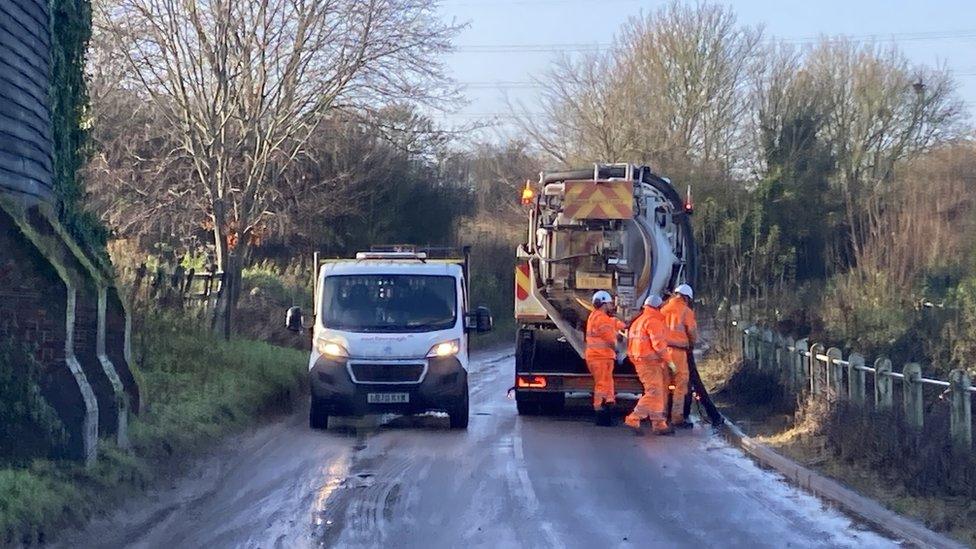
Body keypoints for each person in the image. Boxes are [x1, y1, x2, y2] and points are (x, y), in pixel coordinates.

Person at [624, 295, 676, 435]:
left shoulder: (639, 321)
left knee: (657, 392)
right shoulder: (653, 321)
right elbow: (658, 345)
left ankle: (658, 423)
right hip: (649, 362)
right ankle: (633, 419)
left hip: (641, 361)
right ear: (658, 307)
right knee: (653, 392)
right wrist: (669, 361)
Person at [585, 290, 625, 426]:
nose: (611, 306)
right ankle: (600, 411)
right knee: (602, 384)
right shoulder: (601, 319)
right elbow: (610, 339)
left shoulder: (595, 316)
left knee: (606, 383)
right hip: (600, 357)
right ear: (603, 304)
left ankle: (608, 404)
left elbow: (612, 323)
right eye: (609, 303)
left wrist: (623, 325)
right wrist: (619, 351)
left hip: (598, 357)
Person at [662, 283, 697, 429]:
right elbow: (692, 332)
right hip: (678, 354)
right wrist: (691, 344)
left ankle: (661, 416)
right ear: (687, 298)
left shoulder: (663, 309)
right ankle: (677, 418)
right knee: (680, 384)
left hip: (664, 354)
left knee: (664, 384)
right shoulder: (686, 311)